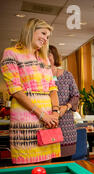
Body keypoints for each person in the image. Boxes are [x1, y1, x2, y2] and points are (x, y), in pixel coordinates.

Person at [1, 18, 60, 164]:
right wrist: (42, 115)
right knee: (27, 165)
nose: (46, 39)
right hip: (26, 118)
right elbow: (16, 91)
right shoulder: (11, 53)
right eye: (43, 33)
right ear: (31, 31)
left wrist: (55, 113)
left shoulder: (44, 59)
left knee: (47, 166)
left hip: (48, 120)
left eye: (48, 37)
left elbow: (52, 89)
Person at [48, 45, 79, 161]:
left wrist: (66, 107)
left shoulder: (67, 75)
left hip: (66, 124)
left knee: (65, 160)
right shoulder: (39, 75)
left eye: (49, 54)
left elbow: (75, 95)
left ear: (54, 56)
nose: (46, 57)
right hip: (47, 121)